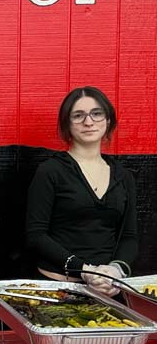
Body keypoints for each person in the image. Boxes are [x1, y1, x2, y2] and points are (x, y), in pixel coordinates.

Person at [26, 86, 137, 295]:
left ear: (108, 120)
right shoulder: (50, 171)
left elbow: (130, 236)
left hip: (109, 291)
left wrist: (115, 270)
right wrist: (84, 270)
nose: (88, 122)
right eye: (78, 116)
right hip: (58, 289)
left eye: (96, 113)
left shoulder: (124, 176)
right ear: (67, 124)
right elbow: (35, 235)